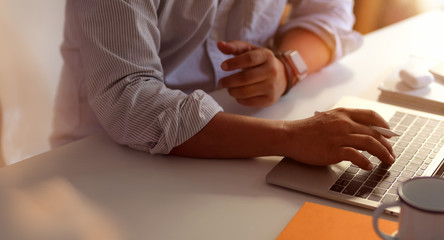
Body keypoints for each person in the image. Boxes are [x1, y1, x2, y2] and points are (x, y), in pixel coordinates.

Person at [51, 0, 395, 170]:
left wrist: (287, 67)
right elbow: (129, 99)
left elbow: (329, 12)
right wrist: (291, 136)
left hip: (245, 137)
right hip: (107, 158)